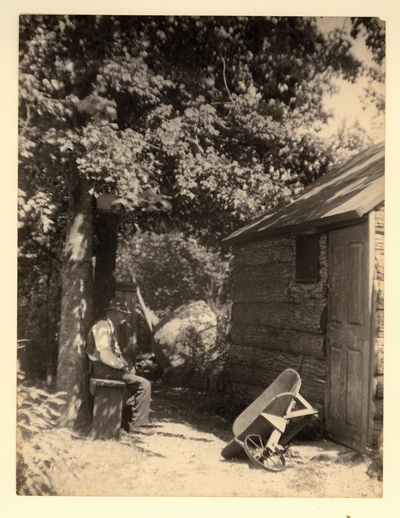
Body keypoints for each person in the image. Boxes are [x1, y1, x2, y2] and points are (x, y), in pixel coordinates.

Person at [86, 297, 153, 433]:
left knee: (135, 386)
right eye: (123, 313)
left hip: (108, 369)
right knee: (144, 385)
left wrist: (126, 366)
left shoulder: (110, 326)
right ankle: (138, 425)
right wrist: (122, 367)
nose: (125, 317)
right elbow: (104, 354)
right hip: (103, 369)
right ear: (114, 312)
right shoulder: (102, 326)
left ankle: (125, 422)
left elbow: (115, 353)